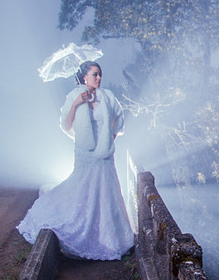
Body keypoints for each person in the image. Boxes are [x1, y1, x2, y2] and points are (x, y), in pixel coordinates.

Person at [17, 60, 134, 259]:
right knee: (82, 188)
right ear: (84, 77)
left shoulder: (108, 96)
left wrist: (106, 142)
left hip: (104, 154)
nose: (98, 78)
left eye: (100, 74)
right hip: (85, 153)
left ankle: (111, 239)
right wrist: (77, 103)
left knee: (107, 191)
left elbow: (118, 123)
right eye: (94, 74)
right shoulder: (74, 96)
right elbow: (66, 124)